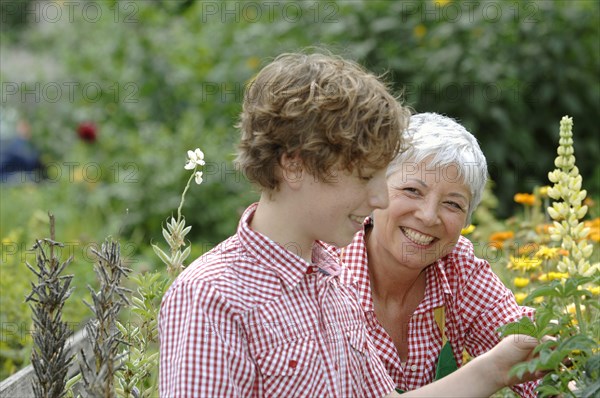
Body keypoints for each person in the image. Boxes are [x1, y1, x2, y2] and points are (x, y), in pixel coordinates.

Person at [159, 53, 543, 397]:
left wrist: (497, 366)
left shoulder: (331, 282)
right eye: (364, 178)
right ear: (295, 165)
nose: (380, 199)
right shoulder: (211, 297)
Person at [341, 112, 537, 395]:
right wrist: (489, 372)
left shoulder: (459, 269)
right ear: (376, 190)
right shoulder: (326, 273)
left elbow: (527, 352)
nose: (429, 216)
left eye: (453, 204)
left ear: (466, 221)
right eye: (412, 190)